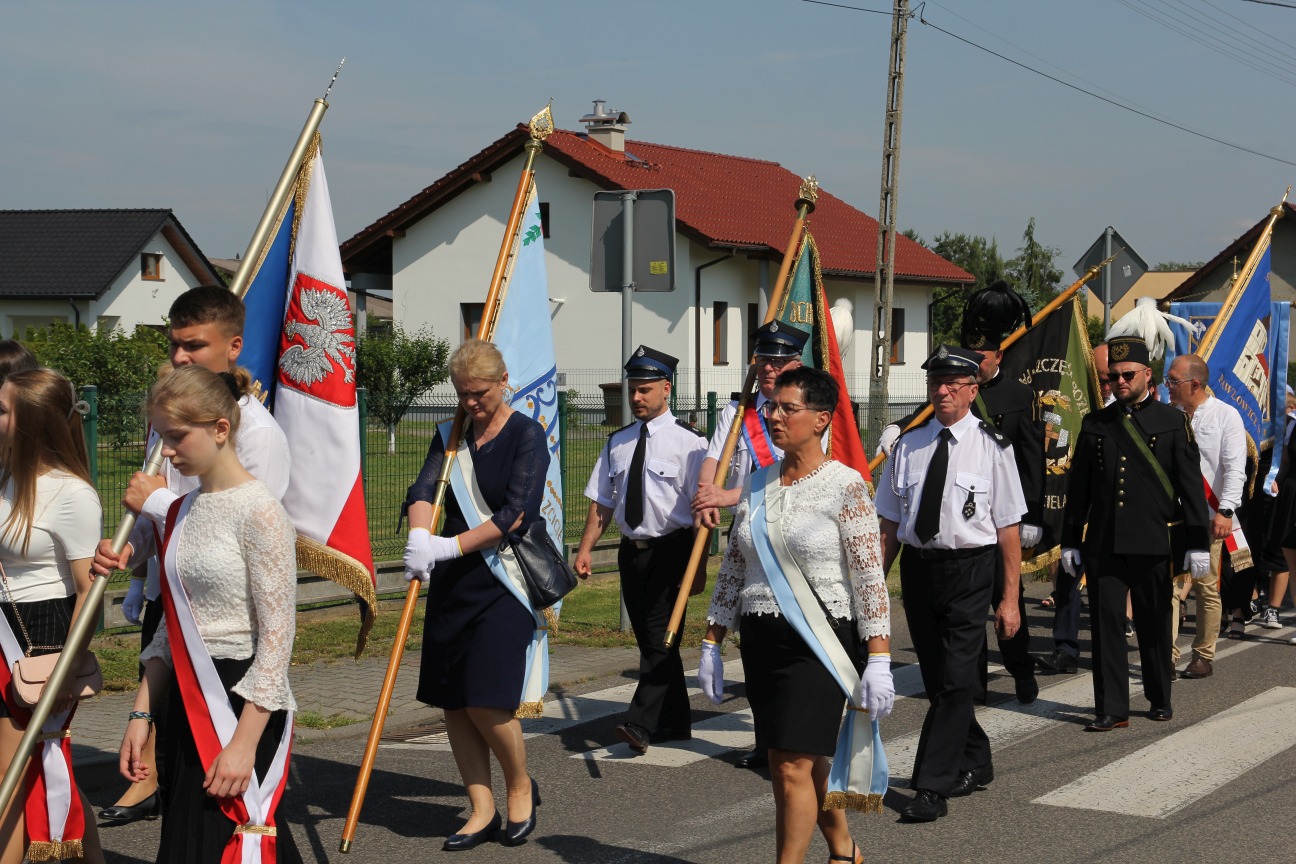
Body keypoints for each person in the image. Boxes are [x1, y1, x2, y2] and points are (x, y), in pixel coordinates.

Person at [95, 284, 291, 825]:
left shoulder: (259, 434)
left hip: (232, 649)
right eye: (175, 345)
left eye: (195, 345)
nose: (181, 357)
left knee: (230, 829)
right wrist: (129, 552)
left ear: (232, 346)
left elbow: (236, 526)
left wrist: (158, 503)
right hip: (176, 607)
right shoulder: (170, 419)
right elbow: (167, 525)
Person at [700, 366, 892, 864]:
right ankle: (844, 849)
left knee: (790, 764)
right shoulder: (756, 484)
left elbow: (869, 576)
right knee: (792, 758)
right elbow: (734, 567)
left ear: (822, 419)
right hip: (762, 642)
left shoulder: (846, 485)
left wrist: (879, 658)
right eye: (773, 407)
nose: (775, 417)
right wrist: (711, 641)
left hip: (819, 640)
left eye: (789, 408)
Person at [119, 365, 301, 863]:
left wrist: (244, 743)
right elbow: (172, 625)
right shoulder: (182, 509)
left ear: (221, 429)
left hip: (242, 701)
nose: (166, 451)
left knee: (233, 840)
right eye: (161, 436)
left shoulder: (261, 511)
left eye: (177, 436)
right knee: (187, 841)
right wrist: (142, 712)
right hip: (186, 695)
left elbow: (278, 641)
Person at [404, 339, 546, 850]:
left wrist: (448, 545)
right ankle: (480, 808)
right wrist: (419, 535)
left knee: (487, 700)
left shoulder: (527, 435)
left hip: (504, 581)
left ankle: (520, 785)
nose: (470, 403)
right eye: (462, 393)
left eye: (479, 393)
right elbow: (424, 490)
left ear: (503, 382)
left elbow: (515, 513)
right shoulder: (450, 435)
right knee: (454, 702)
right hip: (454, 584)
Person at [875, 345, 1026, 822]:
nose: (942, 391)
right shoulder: (907, 446)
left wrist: (1010, 600)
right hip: (919, 570)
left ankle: (930, 786)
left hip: (970, 569)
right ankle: (976, 758)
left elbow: (1008, 529)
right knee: (942, 681)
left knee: (958, 678)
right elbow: (889, 522)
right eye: (935, 383)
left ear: (972, 390)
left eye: (952, 384)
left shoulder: (993, 447)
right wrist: (873, 585)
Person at [1060, 335, 1209, 730]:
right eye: (1113, 376)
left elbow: (1190, 487)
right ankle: (1112, 709)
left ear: (1147, 375)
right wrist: (1070, 539)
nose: (1119, 382)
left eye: (1127, 375)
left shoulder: (1172, 421)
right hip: (1105, 542)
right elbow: (1080, 489)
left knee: (1154, 622)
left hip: (1152, 541)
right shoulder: (1096, 423)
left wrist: (1198, 542)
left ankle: (1159, 695)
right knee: (1106, 626)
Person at [574, 346, 706, 754]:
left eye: (645, 390)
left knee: (662, 638)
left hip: (673, 550)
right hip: (632, 552)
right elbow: (603, 501)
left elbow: (702, 512)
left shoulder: (690, 443)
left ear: (666, 388)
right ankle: (675, 722)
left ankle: (640, 722)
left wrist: (699, 567)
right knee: (650, 640)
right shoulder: (618, 442)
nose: (636, 398)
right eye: (632, 389)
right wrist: (585, 549)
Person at [691, 320, 810, 771]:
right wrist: (706, 497)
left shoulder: (806, 411)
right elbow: (713, 460)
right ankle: (766, 740)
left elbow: (792, 477)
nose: (768, 368)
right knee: (756, 641)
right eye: (762, 359)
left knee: (794, 640)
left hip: (795, 537)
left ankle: (799, 737)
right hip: (749, 537)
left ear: (795, 363)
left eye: (778, 361)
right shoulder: (738, 411)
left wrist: (726, 496)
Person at [0, 368, 105, 864]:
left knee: (12, 776)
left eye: (2, 410)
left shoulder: (71, 494)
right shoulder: (8, 476)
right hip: (4, 629)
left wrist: (67, 665)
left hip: (38, 641)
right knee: (42, 774)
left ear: (29, 423)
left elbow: (89, 591)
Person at [961, 318, 1044, 705]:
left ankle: (1021, 669)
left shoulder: (1018, 394)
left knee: (1007, 599)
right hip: (964, 515)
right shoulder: (957, 389)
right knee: (968, 609)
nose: (976, 363)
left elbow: (1031, 458)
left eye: (982, 356)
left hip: (1002, 516)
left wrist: (1032, 515)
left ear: (999, 355)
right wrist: (897, 427)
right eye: (970, 355)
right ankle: (974, 683)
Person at [1166, 354, 1246, 679]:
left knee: (1205, 588)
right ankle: (1167, 656)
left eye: (1173, 381)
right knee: (1170, 588)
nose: (1167, 386)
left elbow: (1235, 468)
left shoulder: (1226, 415)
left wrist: (1226, 511)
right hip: (1172, 517)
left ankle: (1203, 655)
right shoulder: (1168, 414)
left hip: (1209, 517)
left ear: (1194, 384)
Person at [1034, 342, 1111, 676]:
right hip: (1077, 509)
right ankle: (1065, 649)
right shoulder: (1081, 411)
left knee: (1108, 588)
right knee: (1067, 581)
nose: (1105, 385)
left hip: (1111, 515)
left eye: (1109, 378)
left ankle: (1109, 652)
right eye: (1100, 377)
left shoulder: (1125, 412)